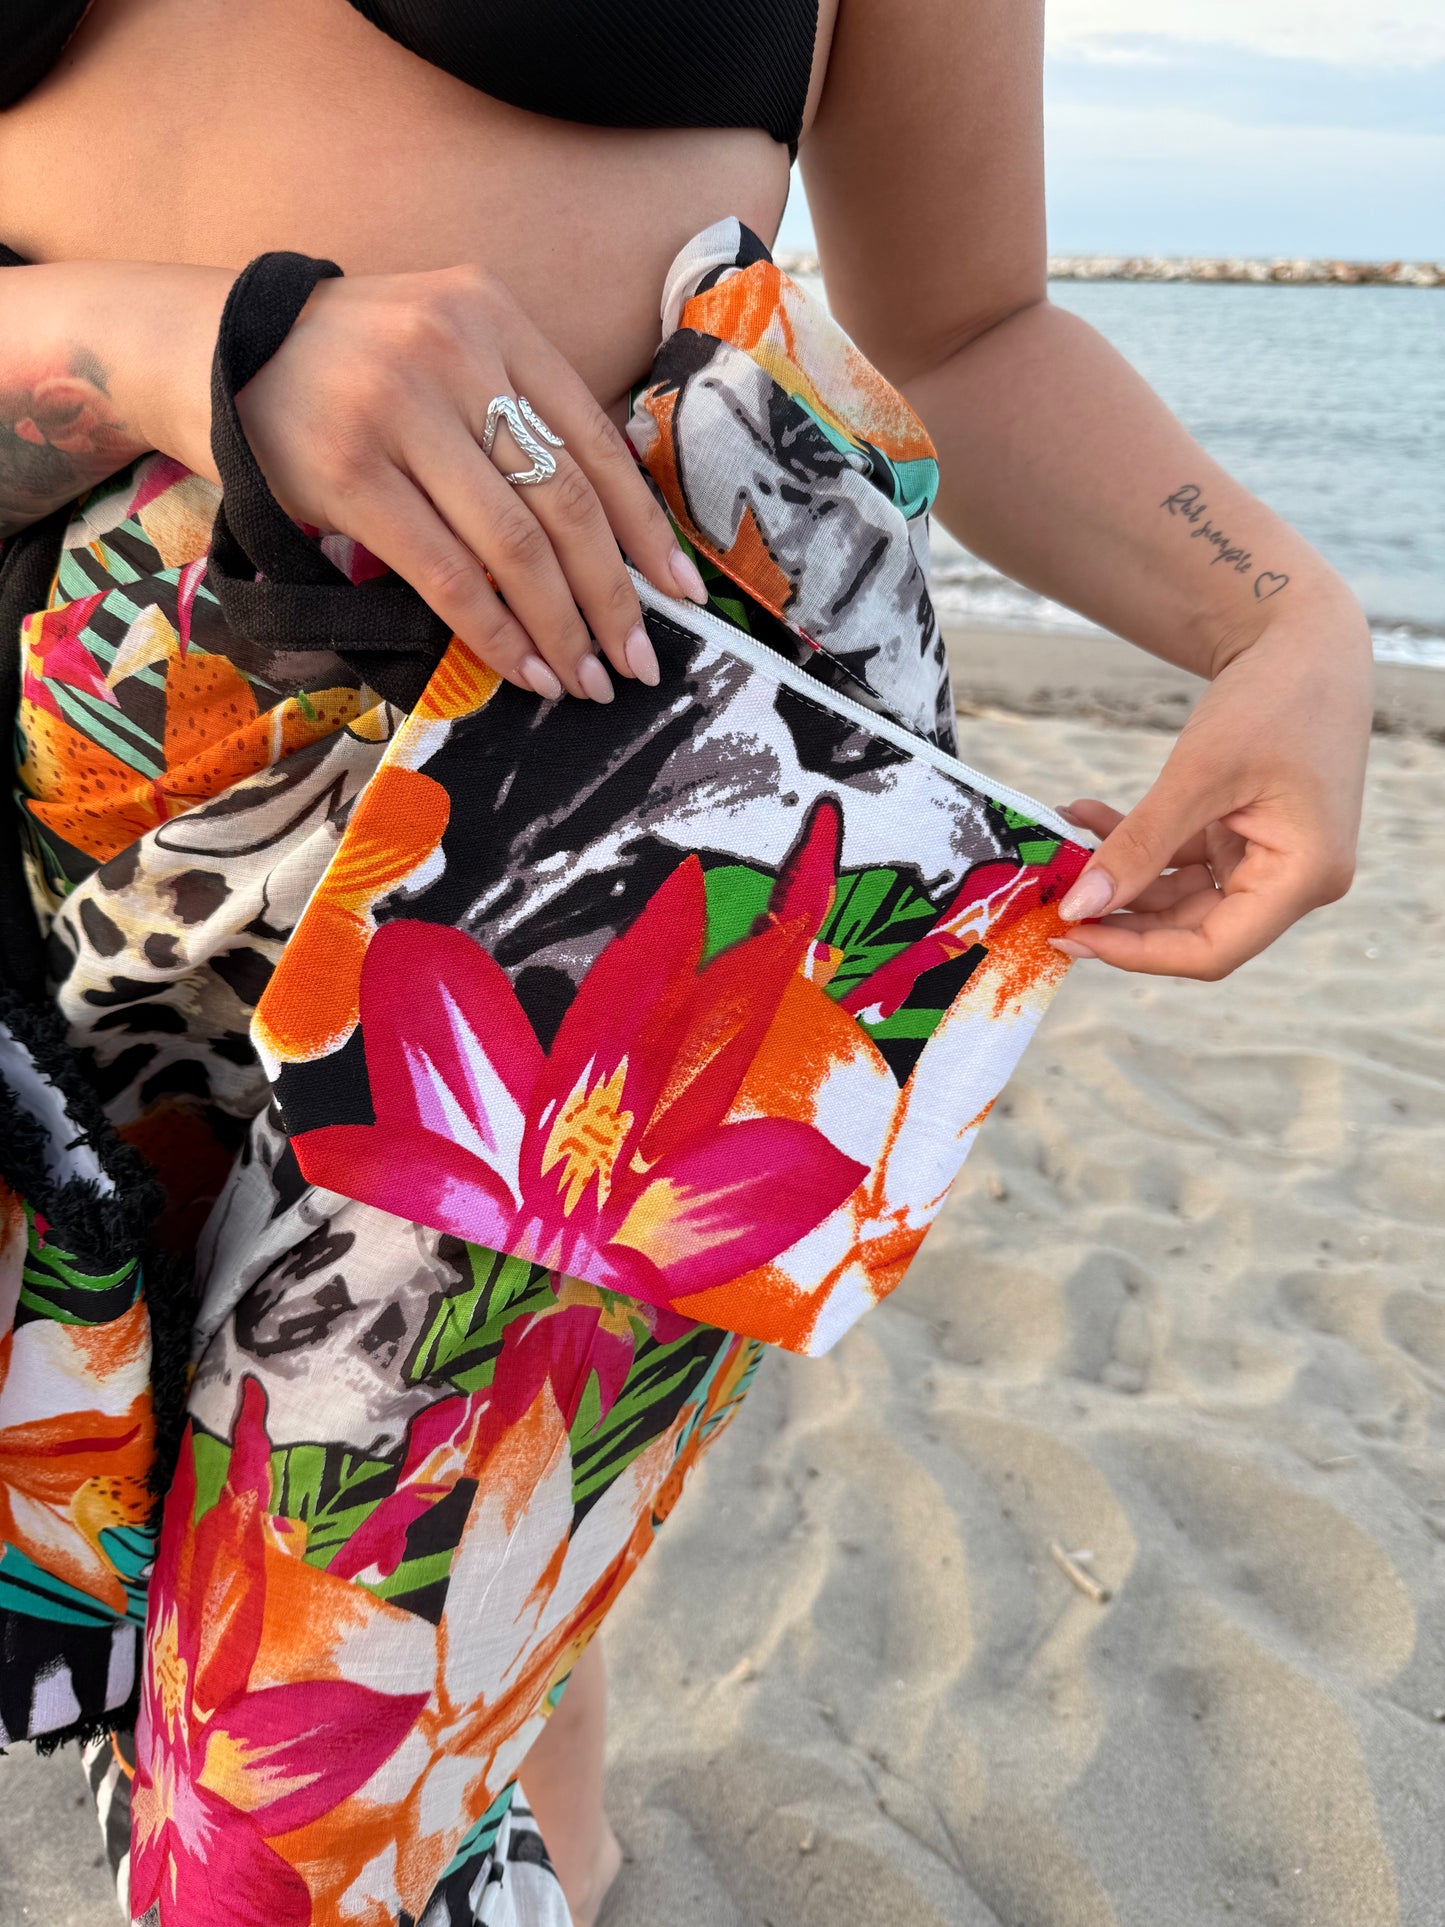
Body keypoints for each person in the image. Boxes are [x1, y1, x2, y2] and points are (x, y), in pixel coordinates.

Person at [0, 3, 1372, 1923]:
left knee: (270, 1830)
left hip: (617, 830)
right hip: (52, 850)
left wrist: (1285, 623)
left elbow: (960, 328)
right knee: (107, 1587)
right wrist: (181, 347)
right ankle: (538, 1781)